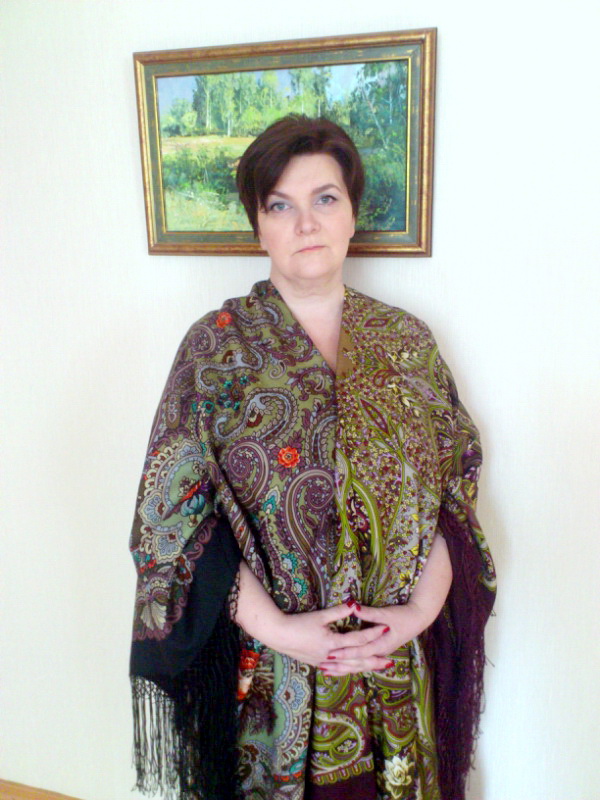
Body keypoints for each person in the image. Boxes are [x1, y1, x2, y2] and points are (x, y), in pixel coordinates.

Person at [129, 115, 496, 800]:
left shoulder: (408, 344)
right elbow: (170, 519)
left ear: (353, 212)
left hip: (393, 671)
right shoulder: (217, 350)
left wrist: (416, 614)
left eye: (325, 198)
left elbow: (455, 494)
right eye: (280, 205)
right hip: (271, 685)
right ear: (258, 226)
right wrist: (284, 632)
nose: (306, 223)